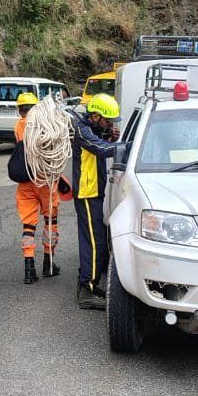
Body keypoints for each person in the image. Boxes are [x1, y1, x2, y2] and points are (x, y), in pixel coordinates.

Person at [70, 93, 120, 309]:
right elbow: (100, 149)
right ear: (96, 116)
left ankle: (90, 284)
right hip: (87, 194)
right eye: (108, 121)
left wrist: (111, 138)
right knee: (93, 242)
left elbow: (103, 144)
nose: (110, 125)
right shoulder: (83, 131)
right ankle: (86, 291)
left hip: (93, 192)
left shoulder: (93, 129)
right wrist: (130, 146)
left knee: (96, 241)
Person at [13, 92, 61, 285]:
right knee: (51, 220)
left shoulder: (18, 126)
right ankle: (48, 264)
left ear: (20, 110)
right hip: (45, 181)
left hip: (25, 181)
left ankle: (29, 268)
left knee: (28, 225)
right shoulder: (44, 125)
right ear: (35, 108)